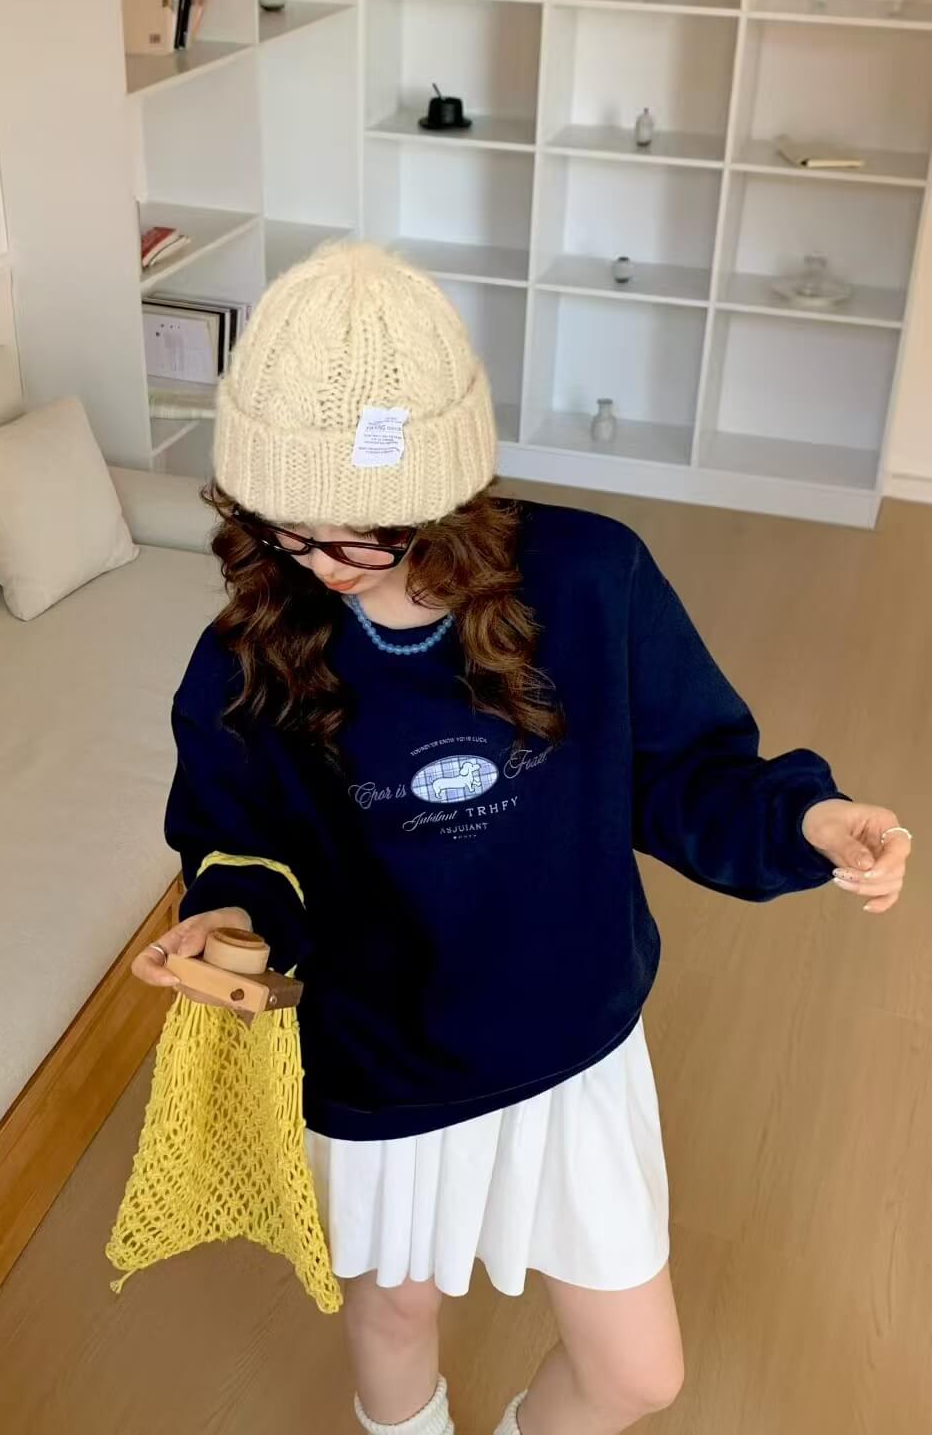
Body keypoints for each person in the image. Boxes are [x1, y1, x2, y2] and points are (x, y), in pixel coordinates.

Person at [131, 242, 912, 1435]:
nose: (321, 565)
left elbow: (684, 769)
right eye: (285, 529)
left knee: (638, 1374)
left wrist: (806, 818)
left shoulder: (590, 580)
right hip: (381, 1054)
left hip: (571, 1041)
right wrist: (227, 920)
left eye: (359, 534)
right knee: (393, 1316)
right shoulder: (252, 650)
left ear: (440, 489)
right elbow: (240, 840)